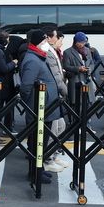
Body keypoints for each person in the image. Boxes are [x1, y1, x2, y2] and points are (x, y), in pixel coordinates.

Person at [20, 29, 62, 183]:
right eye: (44, 42)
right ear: (38, 43)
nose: (46, 44)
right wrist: (30, 103)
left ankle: (38, 170)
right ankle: (34, 173)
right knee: (37, 142)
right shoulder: (32, 59)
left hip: (45, 107)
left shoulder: (37, 57)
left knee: (41, 142)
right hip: (39, 107)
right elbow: (26, 86)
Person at [41, 27, 69, 171]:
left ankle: (53, 155)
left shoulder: (53, 51)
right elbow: (56, 76)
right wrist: (65, 91)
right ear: (51, 37)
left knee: (60, 126)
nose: (60, 41)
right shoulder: (48, 52)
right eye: (58, 37)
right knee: (54, 128)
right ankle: (48, 159)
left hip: (55, 95)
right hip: (53, 95)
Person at [63, 31, 95, 106]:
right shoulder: (67, 52)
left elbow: (92, 63)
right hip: (75, 80)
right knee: (77, 104)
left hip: (87, 80)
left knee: (88, 103)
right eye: (81, 42)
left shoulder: (87, 50)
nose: (83, 44)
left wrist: (89, 69)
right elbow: (65, 66)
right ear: (76, 42)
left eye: (84, 42)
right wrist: (78, 69)